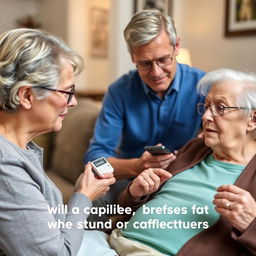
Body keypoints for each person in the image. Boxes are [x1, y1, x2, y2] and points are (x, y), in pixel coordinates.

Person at [109, 68, 256, 256]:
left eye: (220, 108)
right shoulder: (195, 148)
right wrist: (134, 193)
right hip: (114, 240)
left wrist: (252, 224)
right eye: (206, 106)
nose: (205, 117)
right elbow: (123, 209)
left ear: (252, 119)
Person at [0, 28, 117, 256]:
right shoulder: (6, 166)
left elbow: (46, 227)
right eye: (66, 91)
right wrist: (83, 196)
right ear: (26, 95)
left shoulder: (21, 149)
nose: (73, 102)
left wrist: (121, 195)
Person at [84, 9, 205, 219]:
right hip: (128, 178)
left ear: (176, 47)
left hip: (181, 179)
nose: (156, 73)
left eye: (163, 60)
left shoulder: (203, 86)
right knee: (88, 186)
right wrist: (138, 166)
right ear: (133, 57)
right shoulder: (119, 91)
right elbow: (95, 159)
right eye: (145, 63)